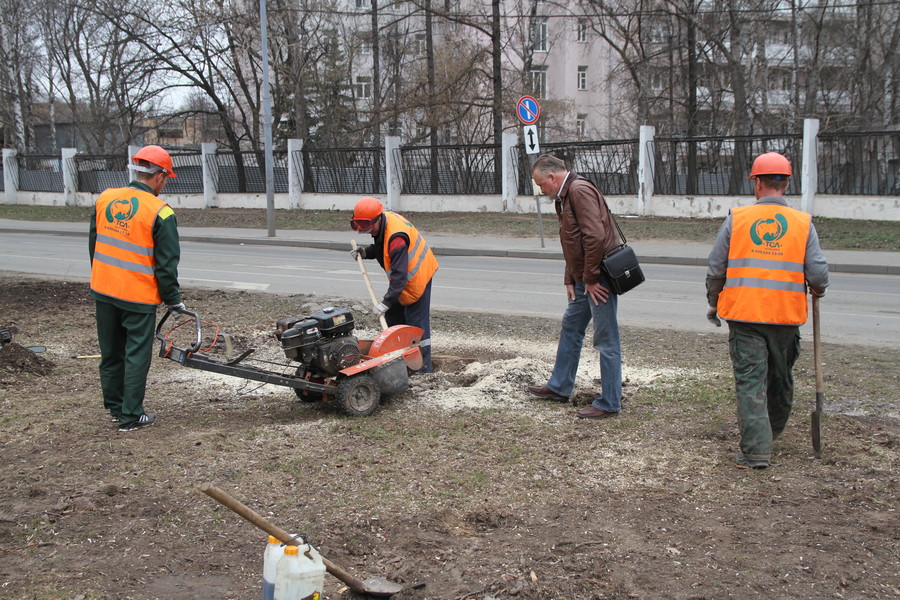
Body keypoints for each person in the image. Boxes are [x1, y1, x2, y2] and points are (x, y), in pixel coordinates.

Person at [706, 152, 829, 469]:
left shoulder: (738, 219)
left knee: (750, 381)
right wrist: (819, 288)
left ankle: (756, 451)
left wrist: (713, 299)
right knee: (780, 377)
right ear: (786, 183)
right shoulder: (803, 224)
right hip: (785, 317)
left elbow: (716, 268)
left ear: (757, 183)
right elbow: (818, 273)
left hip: (745, 316)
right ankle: (770, 432)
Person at [89, 145, 185, 432]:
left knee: (111, 352)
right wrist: (173, 300)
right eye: (166, 180)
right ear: (159, 177)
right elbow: (166, 265)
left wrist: (100, 277)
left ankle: (116, 407)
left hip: (104, 291)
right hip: (137, 297)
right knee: (136, 356)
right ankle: (131, 416)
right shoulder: (161, 212)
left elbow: (94, 245)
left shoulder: (105, 199)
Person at [527, 154, 623, 419]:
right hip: (585, 276)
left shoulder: (579, 191)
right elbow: (573, 241)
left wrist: (591, 279)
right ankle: (559, 386)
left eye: (540, 184)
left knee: (606, 339)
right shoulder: (566, 195)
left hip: (598, 276)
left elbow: (595, 237)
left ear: (552, 177)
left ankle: (610, 402)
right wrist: (571, 277)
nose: (541, 191)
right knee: (571, 326)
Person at [349, 197, 439, 373]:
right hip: (402, 279)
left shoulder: (396, 238)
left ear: (378, 219)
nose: (367, 232)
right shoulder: (383, 223)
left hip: (417, 277)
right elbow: (382, 247)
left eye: (368, 228)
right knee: (393, 317)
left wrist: (386, 302)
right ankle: (400, 360)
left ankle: (422, 369)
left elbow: (399, 277)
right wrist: (366, 251)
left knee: (416, 326)